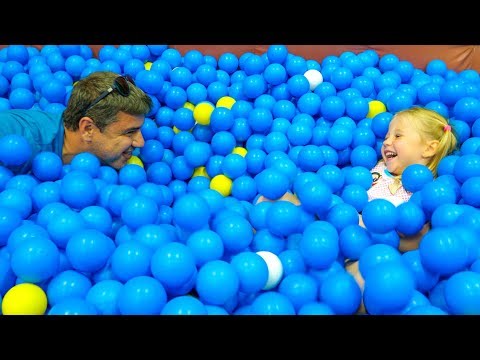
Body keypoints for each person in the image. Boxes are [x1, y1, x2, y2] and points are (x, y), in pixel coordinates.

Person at [256, 106, 459, 313]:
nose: (387, 141)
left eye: (397, 135)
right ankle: (266, 250)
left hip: (365, 246)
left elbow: (420, 240)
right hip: (330, 218)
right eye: (387, 135)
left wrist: (387, 235)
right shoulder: (377, 167)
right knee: (272, 197)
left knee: (365, 285)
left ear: (429, 149)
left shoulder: (425, 191)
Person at [0, 71, 153, 174]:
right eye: (130, 132)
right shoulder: (13, 138)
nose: (141, 143)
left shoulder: (100, 157)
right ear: (87, 129)